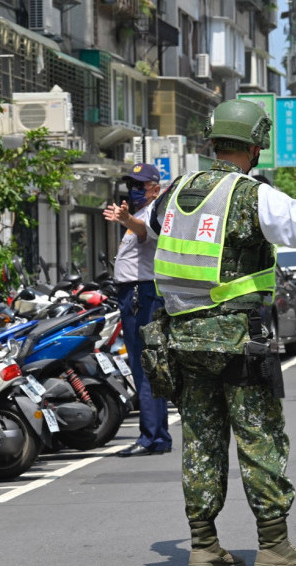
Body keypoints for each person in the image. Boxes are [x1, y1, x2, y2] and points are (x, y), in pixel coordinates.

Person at [141, 99, 296, 566]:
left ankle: (203, 547)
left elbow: (151, 227)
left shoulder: (173, 193)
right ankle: (275, 550)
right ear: (255, 149)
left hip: (181, 343)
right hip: (238, 342)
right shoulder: (252, 195)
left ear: (212, 143)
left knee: (200, 441)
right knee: (259, 439)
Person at [102, 163, 172, 457]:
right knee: (146, 365)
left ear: (155, 188)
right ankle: (157, 436)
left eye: (140, 184)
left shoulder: (154, 212)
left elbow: (144, 232)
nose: (133, 189)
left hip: (141, 293)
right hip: (134, 292)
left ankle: (150, 437)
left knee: (145, 366)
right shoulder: (142, 211)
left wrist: (127, 218)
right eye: (131, 183)